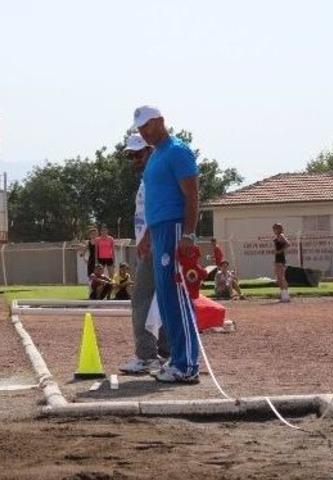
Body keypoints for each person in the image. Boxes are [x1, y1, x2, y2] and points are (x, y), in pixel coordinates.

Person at [135, 105, 200, 384]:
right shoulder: (154, 157)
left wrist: (187, 234)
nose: (143, 132)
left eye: (147, 125)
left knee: (177, 297)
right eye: (139, 128)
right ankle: (176, 358)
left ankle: (187, 364)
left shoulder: (177, 151)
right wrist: (148, 235)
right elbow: (153, 201)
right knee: (164, 298)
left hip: (175, 228)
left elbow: (192, 195)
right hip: (160, 230)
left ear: (160, 121)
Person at [117, 134, 170, 375]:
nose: (135, 159)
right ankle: (167, 354)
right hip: (152, 245)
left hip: (153, 246)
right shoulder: (149, 179)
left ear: (150, 151)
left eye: (138, 154)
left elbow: (159, 210)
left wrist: (147, 239)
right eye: (132, 156)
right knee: (164, 300)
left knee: (142, 301)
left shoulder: (155, 177)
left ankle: (148, 356)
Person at [273, 223, 290, 302]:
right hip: (278, 258)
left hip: (280, 258)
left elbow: (288, 244)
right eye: (274, 228)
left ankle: (285, 296)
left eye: (276, 228)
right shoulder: (278, 236)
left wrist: (280, 251)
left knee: (281, 277)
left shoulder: (281, 235)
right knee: (279, 278)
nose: (274, 230)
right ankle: (284, 295)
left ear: (279, 229)